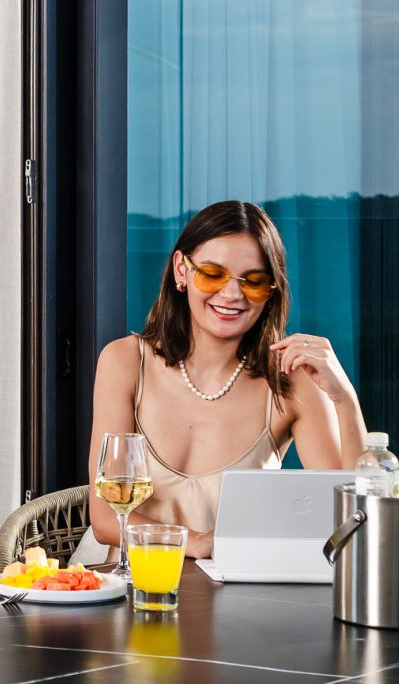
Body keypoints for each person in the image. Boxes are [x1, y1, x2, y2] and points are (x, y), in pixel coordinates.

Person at [85, 199, 368, 556]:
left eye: (253, 281)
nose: (232, 294)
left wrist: (344, 397)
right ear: (181, 271)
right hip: (132, 589)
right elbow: (106, 520)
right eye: (212, 274)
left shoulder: (289, 381)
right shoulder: (123, 362)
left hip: (238, 597)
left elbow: (348, 519)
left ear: (271, 292)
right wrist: (196, 542)